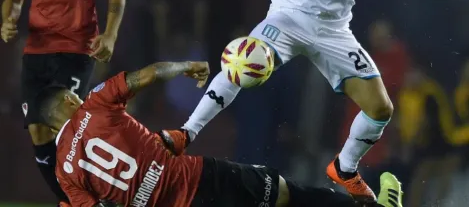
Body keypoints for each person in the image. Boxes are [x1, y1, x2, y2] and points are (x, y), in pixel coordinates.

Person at [165, 0, 393, 203]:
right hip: (289, 20)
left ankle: (344, 168)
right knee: (243, 61)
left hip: (334, 31)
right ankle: (186, 132)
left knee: (380, 109)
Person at [36, 60, 403, 206]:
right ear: (70, 99)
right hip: (202, 179)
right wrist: (185, 65)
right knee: (285, 194)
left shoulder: (65, 174)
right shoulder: (95, 103)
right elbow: (143, 76)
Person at [1, 0, 126, 205]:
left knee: (70, 129)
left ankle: (108, 191)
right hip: (36, 52)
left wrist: (110, 36)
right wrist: (7, 21)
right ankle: (74, 200)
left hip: (76, 50)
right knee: (39, 132)